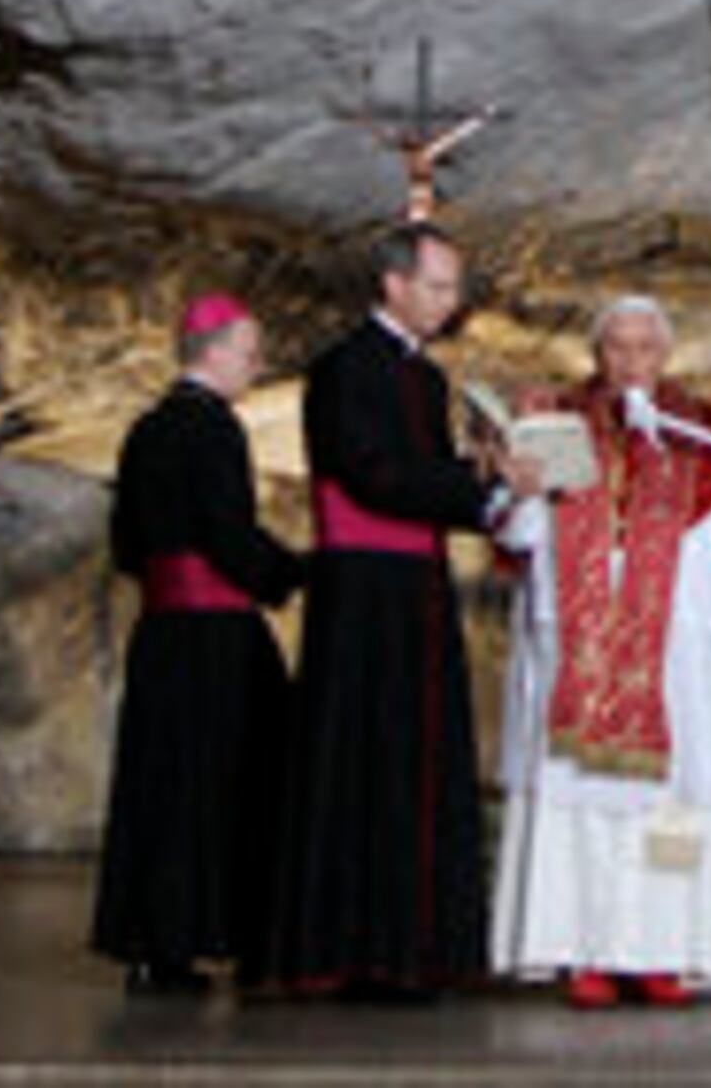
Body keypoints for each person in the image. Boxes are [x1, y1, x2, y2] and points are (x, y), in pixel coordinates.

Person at [488, 295, 711, 1005]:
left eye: (645, 348)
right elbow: (517, 535)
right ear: (598, 354)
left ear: (666, 355)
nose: (631, 361)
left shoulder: (705, 430)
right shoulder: (555, 421)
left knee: (667, 805)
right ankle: (585, 951)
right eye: (617, 347)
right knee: (582, 804)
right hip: (579, 648)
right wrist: (522, 487)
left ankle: (662, 951)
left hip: (671, 655)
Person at [255, 206, 515, 999]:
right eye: (436, 286)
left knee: (418, 762)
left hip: (417, 591)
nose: (448, 301)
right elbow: (374, 474)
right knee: (359, 760)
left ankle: (411, 947)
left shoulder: (426, 375)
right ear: (394, 282)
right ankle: (352, 949)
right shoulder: (344, 368)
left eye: (453, 288)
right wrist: (480, 480)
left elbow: (429, 478)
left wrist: (486, 471)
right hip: (363, 595)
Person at [90, 293, 304, 994]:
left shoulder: (145, 427)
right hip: (218, 637)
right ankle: (235, 933)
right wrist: (295, 571)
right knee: (234, 786)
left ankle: (159, 944)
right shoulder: (214, 428)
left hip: (162, 634)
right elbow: (228, 533)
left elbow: (127, 544)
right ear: (212, 351)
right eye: (248, 351)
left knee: (165, 789)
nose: (256, 364)